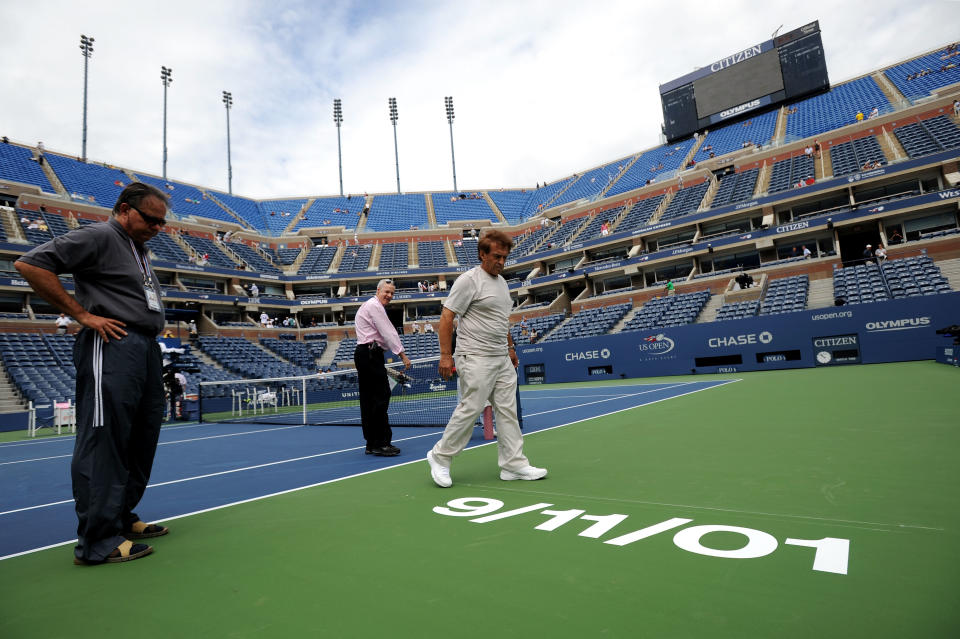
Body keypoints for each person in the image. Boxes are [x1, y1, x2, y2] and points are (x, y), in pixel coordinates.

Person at [14, 182, 170, 565]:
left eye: (161, 222)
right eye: (150, 218)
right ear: (123, 209)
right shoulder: (99, 235)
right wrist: (82, 315)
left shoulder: (140, 249)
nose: (156, 226)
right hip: (112, 343)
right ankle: (97, 540)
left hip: (145, 347)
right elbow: (31, 264)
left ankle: (120, 517)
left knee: (141, 436)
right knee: (105, 439)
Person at [425, 230, 547, 487]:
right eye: (496, 256)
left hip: (501, 358)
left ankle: (513, 465)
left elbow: (502, 322)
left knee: (508, 412)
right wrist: (446, 356)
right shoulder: (469, 280)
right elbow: (447, 318)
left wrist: (511, 348)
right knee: (470, 409)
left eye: (505, 257)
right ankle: (440, 457)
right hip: (475, 357)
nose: (501, 262)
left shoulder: (502, 284)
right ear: (482, 254)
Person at [354, 279, 411, 456]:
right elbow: (389, 332)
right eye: (386, 291)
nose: (389, 295)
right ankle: (381, 443)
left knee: (369, 400)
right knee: (381, 396)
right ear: (378, 290)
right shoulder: (375, 306)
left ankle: (371, 443)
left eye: (392, 293)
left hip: (365, 353)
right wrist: (402, 354)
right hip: (370, 354)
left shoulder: (369, 306)